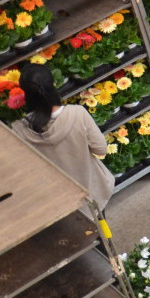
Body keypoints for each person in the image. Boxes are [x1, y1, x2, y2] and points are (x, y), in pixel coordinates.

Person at [9, 63, 115, 216]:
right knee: (102, 231)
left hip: (57, 205)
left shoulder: (19, 130)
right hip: (91, 190)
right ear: (53, 85)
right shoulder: (76, 114)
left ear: (26, 94)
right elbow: (101, 148)